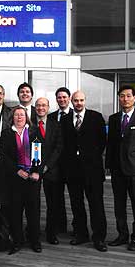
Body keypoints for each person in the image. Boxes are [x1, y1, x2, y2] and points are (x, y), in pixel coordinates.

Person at [106, 85, 135, 251]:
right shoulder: (113, 119)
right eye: (121, 96)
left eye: (128, 96)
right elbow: (110, 144)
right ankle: (122, 234)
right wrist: (108, 166)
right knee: (119, 205)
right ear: (118, 98)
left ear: (134, 98)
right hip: (117, 170)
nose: (124, 99)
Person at [60, 91, 108, 252]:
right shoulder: (65, 119)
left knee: (96, 204)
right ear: (71, 102)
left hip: (92, 170)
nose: (78, 103)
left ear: (85, 101)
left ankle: (99, 237)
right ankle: (81, 234)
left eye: (81, 100)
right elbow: (64, 144)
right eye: (76, 100)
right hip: (73, 171)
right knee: (77, 204)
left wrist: (89, 157)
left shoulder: (96, 117)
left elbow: (102, 142)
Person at [0, 107, 42, 254]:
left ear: (26, 116)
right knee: (15, 212)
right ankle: (17, 241)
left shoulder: (34, 131)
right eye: (16, 115)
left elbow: (39, 152)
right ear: (12, 117)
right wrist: (17, 170)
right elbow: (3, 156)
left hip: (32, 179)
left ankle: (35, 241)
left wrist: (36, 172)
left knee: (33, 212)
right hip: (14, 179)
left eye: (22, 114)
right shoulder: (6, 133)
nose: (19, 117)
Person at [34, 98, 63, 244]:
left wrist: (47, 165)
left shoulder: (55, 124)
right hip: (35, 170)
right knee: (34, 203)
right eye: (38, 105)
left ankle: (51, 233)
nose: (41, 108)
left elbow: (58, 147)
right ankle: (34, 233)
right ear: (35, 108)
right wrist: (38, 167)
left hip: (51, 169)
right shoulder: (29, 124)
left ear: (48, 107)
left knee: (53, 203)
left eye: (43, 105)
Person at [48, 86, 73, 234]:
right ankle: (59, 225)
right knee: (56, 197)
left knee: (75, 197)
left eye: (64, 97)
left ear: (69, 98)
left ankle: (77, 227)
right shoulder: (51, 117)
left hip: (71, 164)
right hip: (55, 165)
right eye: (59, 97)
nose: (62, 99)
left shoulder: (75, 115)